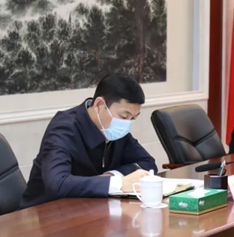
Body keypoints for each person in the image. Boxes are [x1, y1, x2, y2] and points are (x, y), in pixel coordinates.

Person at [20, 73, 157, 209]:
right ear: (99, 104)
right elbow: (57, 184)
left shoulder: (116, 131)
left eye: (133, 118)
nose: (127, 124)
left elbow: (148, 163)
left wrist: (111, 176)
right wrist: (118, 183)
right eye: (124, 116)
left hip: (89, 208)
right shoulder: (64, 129)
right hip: (44, 212)